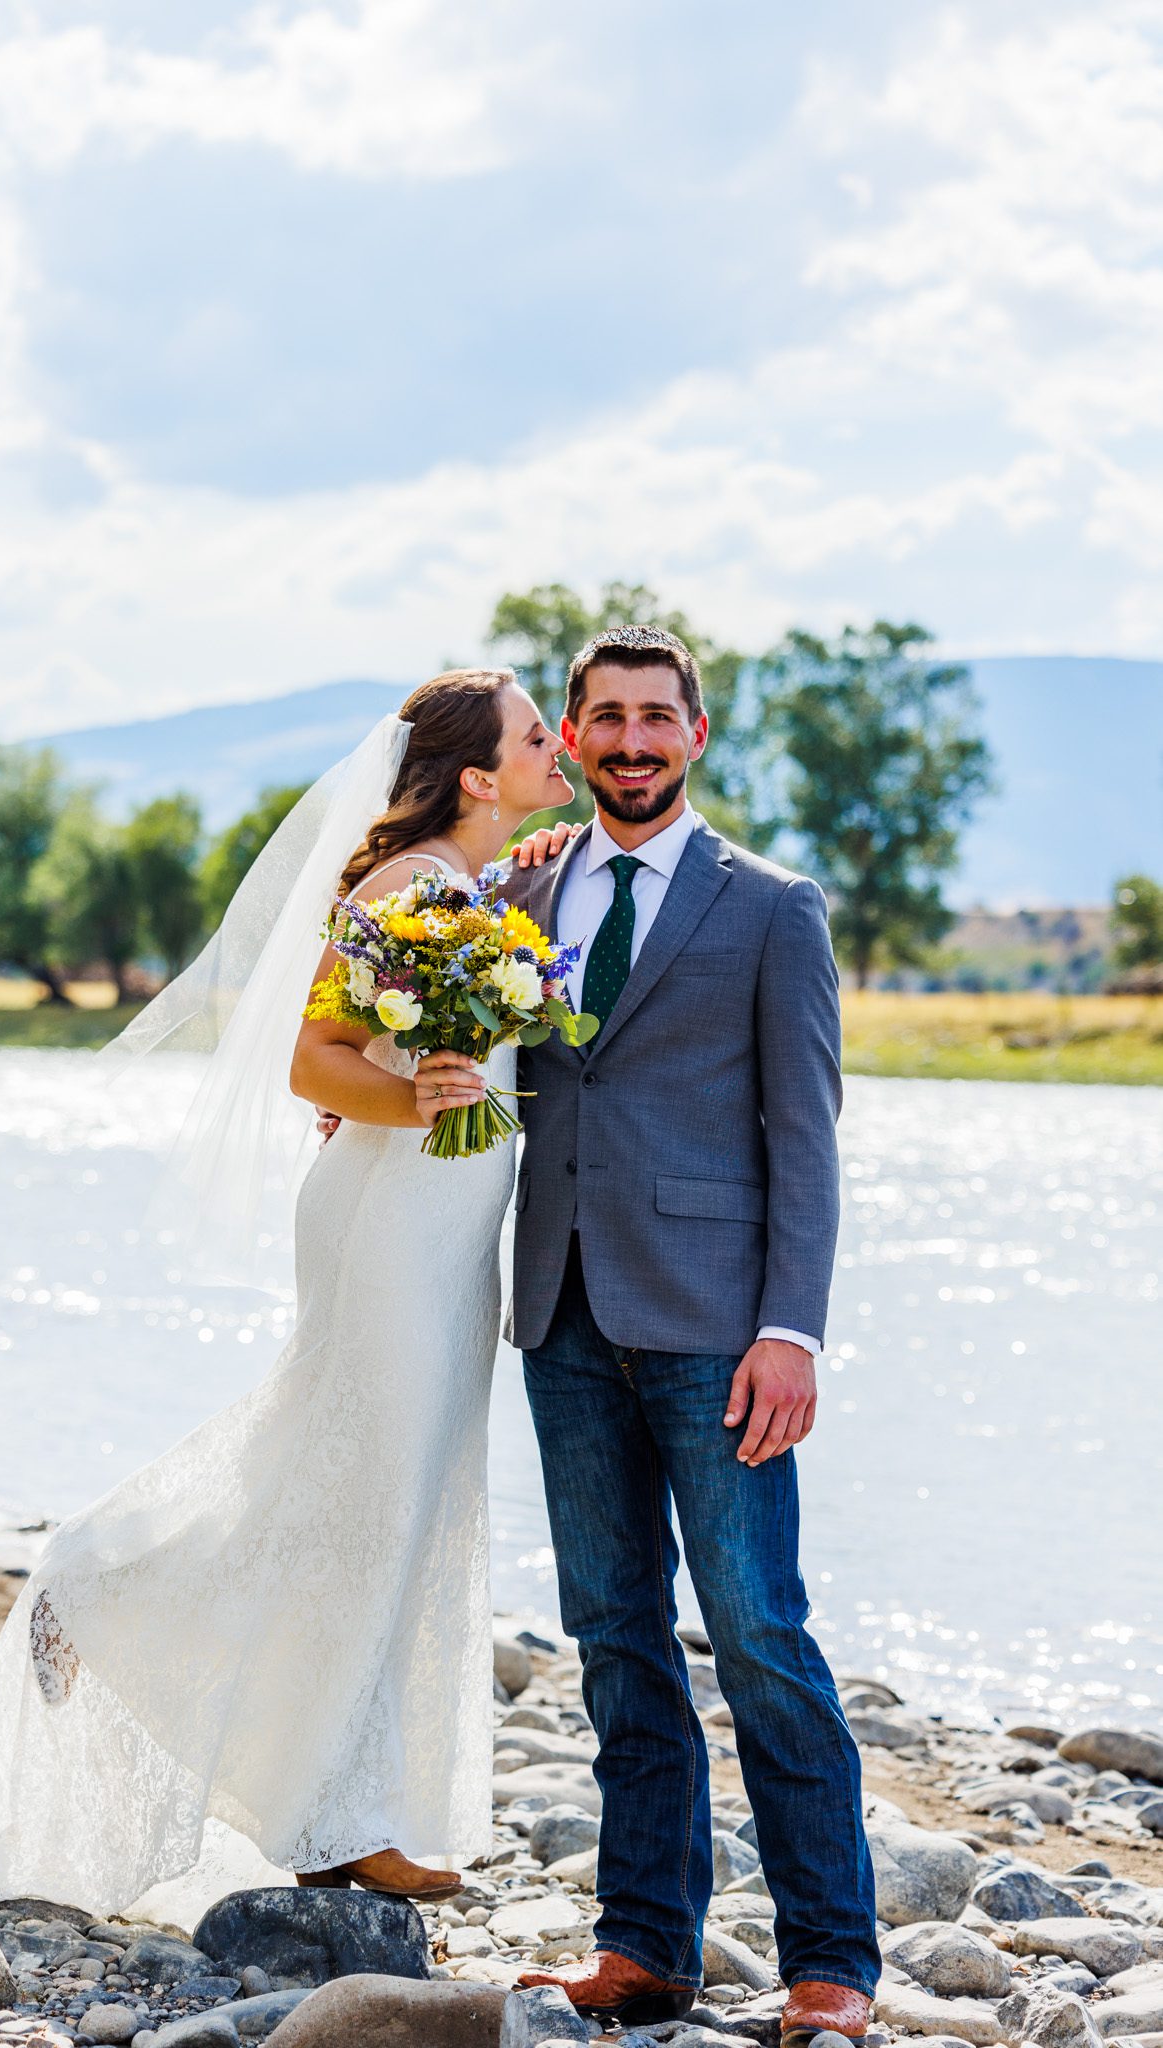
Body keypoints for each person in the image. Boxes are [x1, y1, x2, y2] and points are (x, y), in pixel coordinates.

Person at [0, 667, 574, 1916]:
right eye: (536, 735)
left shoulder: (474, 887)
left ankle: (347, 1799)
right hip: (393, 1223)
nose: (558, 747)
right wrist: (423, 1094)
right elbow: (313, 1061)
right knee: (364, 1492)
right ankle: (107, 1593)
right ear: (477, 774)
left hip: (445, 1232)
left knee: (384, 1493)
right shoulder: (406, 890)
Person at [495, 625, 883, 2033]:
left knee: (759, 1630)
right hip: (562, 1311)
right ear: (577, 740)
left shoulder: (773, 907)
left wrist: (794, 1327)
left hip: (722, 1332)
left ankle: (831, 1961)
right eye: (605, 718)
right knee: (613, 1635)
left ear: (696, 735)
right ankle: (645, 1943)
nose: (632, 741)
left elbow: (807, 1135)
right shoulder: (525, 892)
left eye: (656, 718)